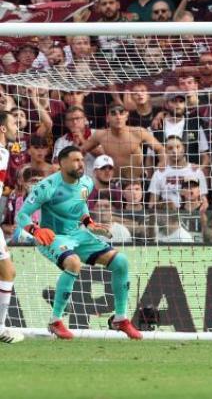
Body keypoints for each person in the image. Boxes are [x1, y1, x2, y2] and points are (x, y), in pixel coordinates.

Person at [17, 146, 142, 340]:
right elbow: (22, 214)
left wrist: (88, 222)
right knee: (73, 263)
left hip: (78, 234)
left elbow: (80, 203)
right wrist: (35, 230)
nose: (80, 164)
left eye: (81, 160)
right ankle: (55, 321)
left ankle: (120, 318)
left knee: (121, 262)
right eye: (75, 160)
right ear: (62, 163)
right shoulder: (47, 187)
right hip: (53, 237)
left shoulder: (86, 183)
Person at [82, 102, 166, 181]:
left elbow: (160, 148)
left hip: (136, 183)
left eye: (121, 113)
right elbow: (81, 151)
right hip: (113, 184)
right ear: (107, 118)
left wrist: (162, 161)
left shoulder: (138, 132)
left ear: (126, 116)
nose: (118, 117)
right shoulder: (100, 135)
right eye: (113, 113)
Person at [0, 111, 24, 343]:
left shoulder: (5, 152)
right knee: (7, 270)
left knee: (8, 271)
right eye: (14, 124)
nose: (18, 127)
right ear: (3, 129)